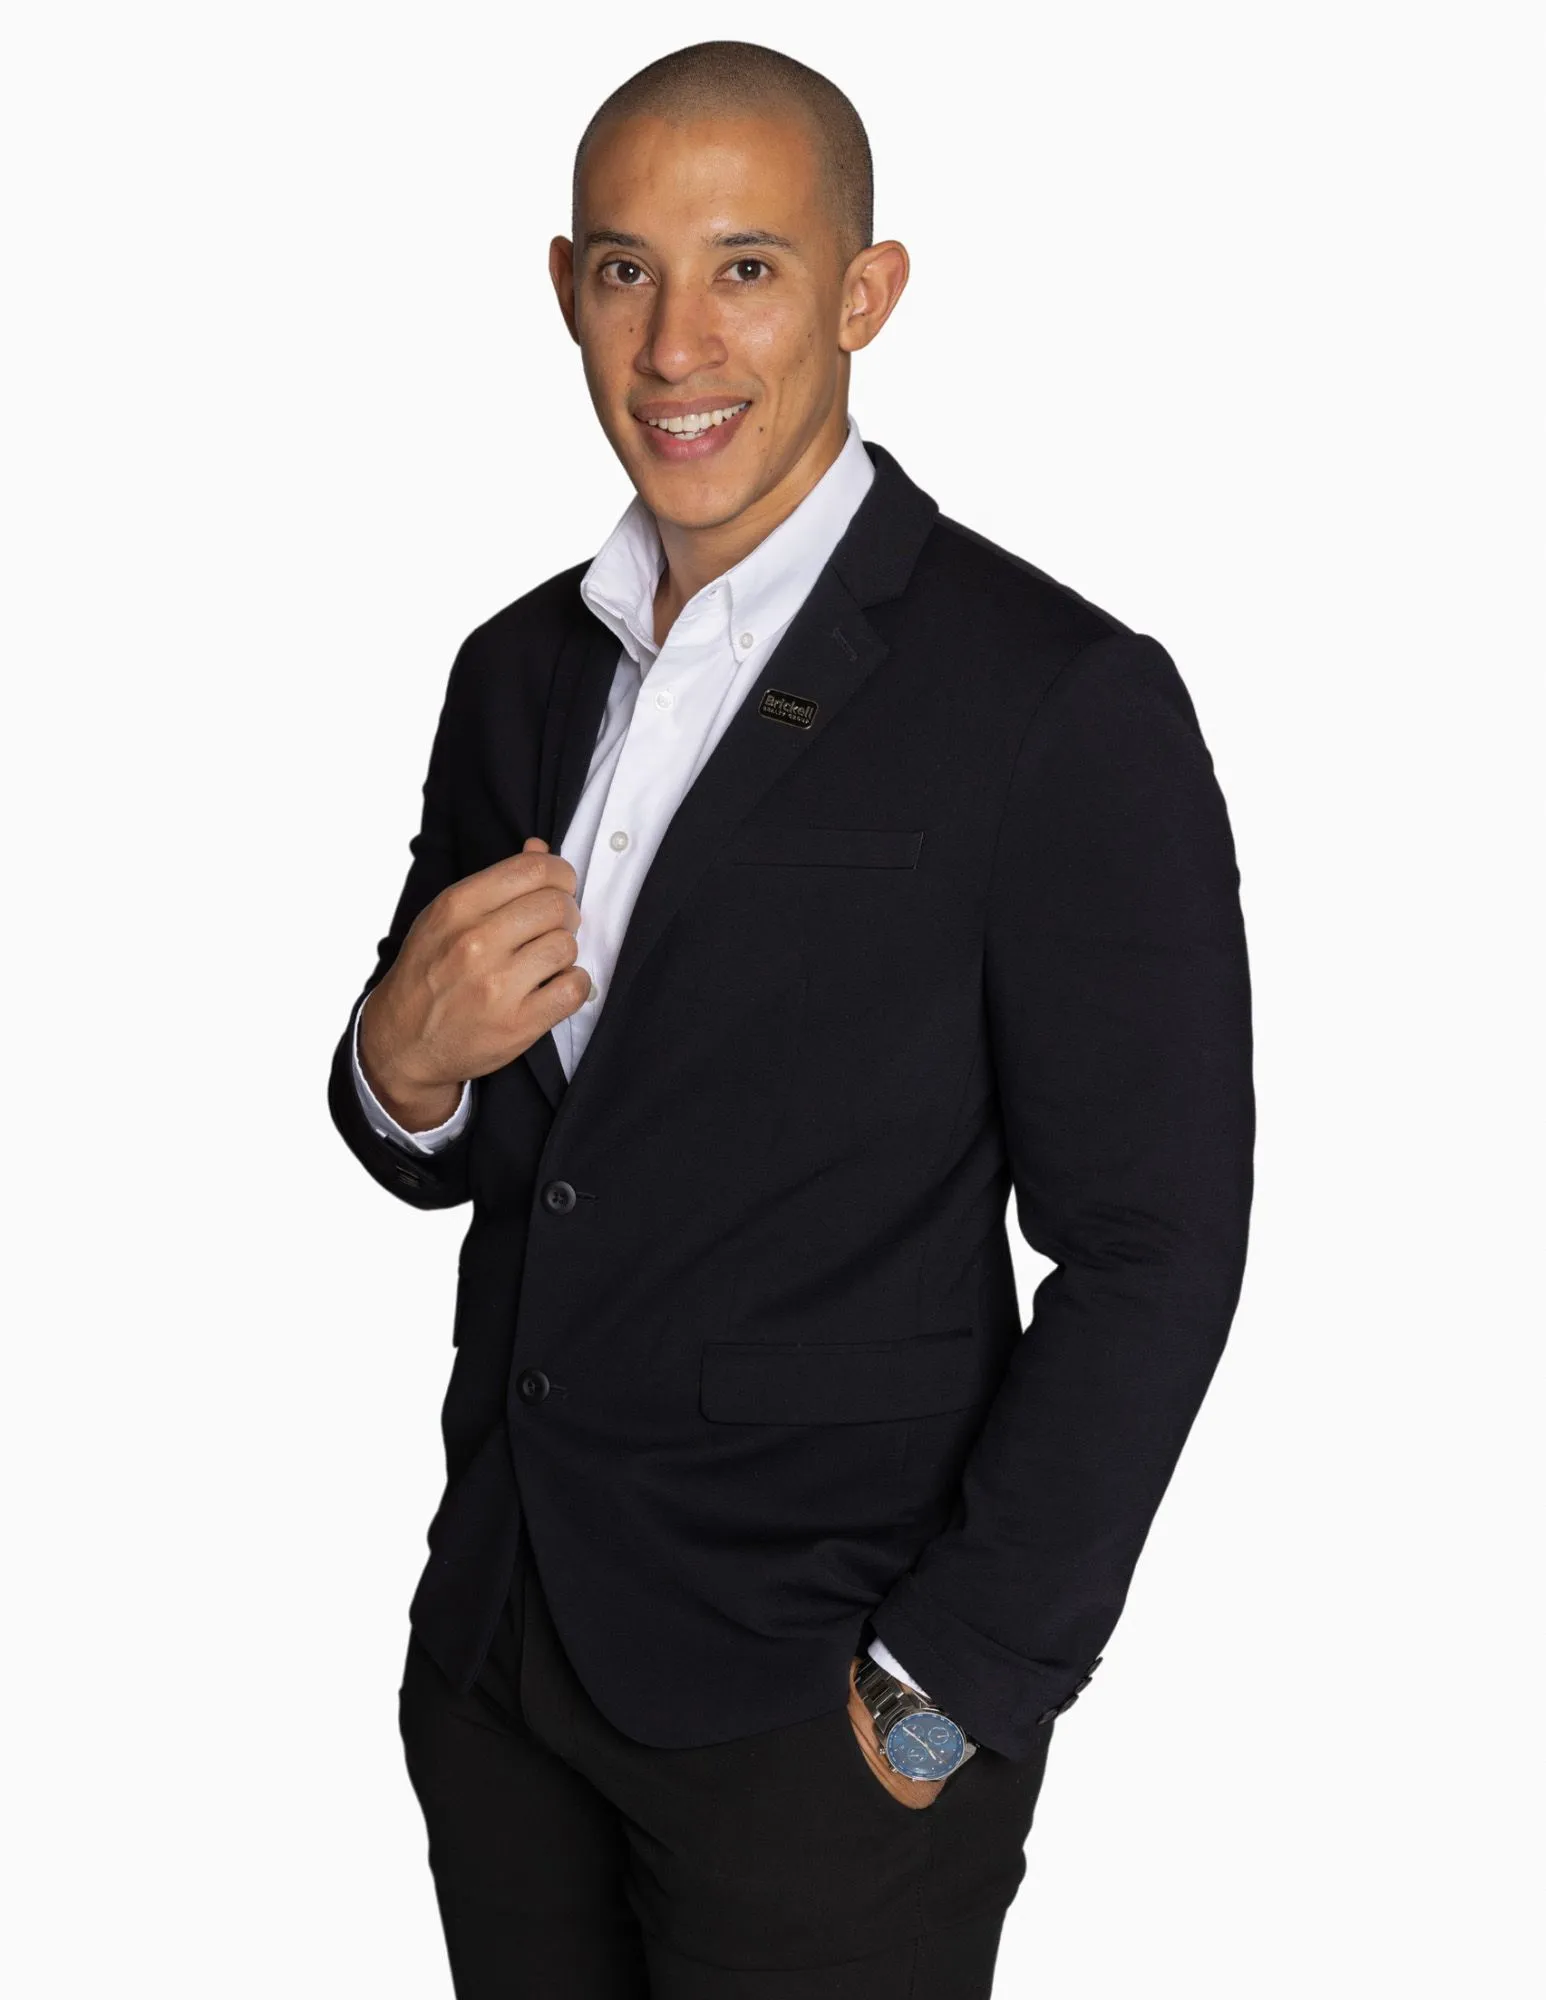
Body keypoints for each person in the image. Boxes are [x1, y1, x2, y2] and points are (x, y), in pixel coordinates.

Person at [327, 38, 1255, 2000]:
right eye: (624, 270)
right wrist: (393, 1074)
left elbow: (1152, 1245)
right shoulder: (512, 672)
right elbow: (482, 1135)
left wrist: (948, 1687)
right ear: (564, 288)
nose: (675, 345)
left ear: (863, 293)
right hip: (502, 1659)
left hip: (819, 1717)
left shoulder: (1055, 699)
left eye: (744, 268)